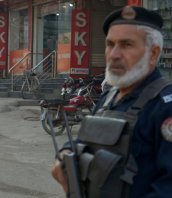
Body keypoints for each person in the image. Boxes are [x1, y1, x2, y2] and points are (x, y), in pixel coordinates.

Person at [51, 6, 172, 198]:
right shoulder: (109, 97)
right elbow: (86, 141)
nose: (114, 54)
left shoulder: (165, 105)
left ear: (154, 53)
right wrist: (64, 153)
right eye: (110, 44)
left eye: (126, 45)